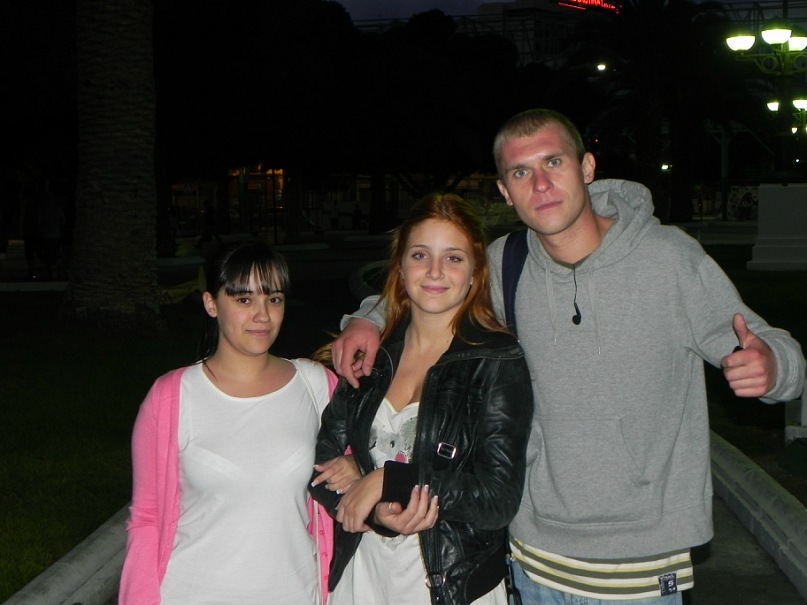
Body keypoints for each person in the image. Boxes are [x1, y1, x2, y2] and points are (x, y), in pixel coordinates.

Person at [329, 109, 806, 604]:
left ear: (587, 167)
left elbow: (768, 344)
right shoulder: (508, 263)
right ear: (505, 191)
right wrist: (368, 319)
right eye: (521, 172)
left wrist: (773, 366)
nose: (540, 184)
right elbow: (433, 284)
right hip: (533, 558)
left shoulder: (669, 259)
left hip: (639, 563)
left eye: (553, 162)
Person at [309, 193, 534, 605]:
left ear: (475, 273)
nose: (434, 271)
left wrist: (390, 480)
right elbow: (320, 463)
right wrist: (373, 509)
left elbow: (498, 498)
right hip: (364, 578)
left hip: (453, 585)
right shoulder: (373, 357)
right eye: (420, 255)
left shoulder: (497, 361)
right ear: (400, 268)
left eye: (453, 258)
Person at [119, 241, 357, 605]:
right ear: (211, 304)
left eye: (273, 299)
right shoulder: (171, 397)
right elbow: (146, 519)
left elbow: (367, 460)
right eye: (244, 299)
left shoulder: (316, 386)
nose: (262, 315)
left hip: (295, 593)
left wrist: (356, 466)